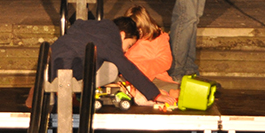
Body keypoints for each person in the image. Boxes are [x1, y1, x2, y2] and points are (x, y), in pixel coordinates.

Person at [49, 17, 178, 105]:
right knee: (112, 68)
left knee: (100, 60)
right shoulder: (110, 39)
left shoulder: (91, 29)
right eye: (129, 45)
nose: (126, 51)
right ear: (122, 35)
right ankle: (78, 92)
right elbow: (128, 69)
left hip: (52, 64)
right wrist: (155, 95)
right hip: (69, 71)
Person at [123, 6, 179, 97]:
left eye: (138, 30)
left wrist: (144, 69)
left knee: (173, 90)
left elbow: (165, 61)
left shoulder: (158, 38)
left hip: (154, 78)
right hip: (130, 78)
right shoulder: (126, 38)